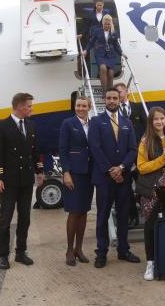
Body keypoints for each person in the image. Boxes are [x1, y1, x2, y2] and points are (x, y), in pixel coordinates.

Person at [88, 87, 140, 268]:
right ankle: (101, 252)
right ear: (104, 99)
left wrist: (122, 167)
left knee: (123, 215)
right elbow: (95, 148)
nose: (112, 101)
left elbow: (133, 149)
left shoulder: (127, 122)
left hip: (123, 177)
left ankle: (123, 250)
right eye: (109, 98)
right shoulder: (96, 121)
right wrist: (110, 170)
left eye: (115, 98)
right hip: (104, 178)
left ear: (120, 100)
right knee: (102, 215)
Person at [0, 93, 44, 270]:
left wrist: (39, 170)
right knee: (5, 218)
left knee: (25, 218)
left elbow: (35, 150)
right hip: (8, 181)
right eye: (29, 106)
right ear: (20, 106)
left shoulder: (31, 125)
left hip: (26, 180)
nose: (31, 109)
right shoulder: (1, 126)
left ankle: (21, 252)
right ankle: (3, 255)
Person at [136, 107, 165, 280]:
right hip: (152, 189)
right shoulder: (145, 141)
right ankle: (150, 263)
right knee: (150, 226)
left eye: (162, 118)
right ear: (151, 121)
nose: (159, 122)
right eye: (156, 119)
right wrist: (162, 158)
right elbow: (141, 167)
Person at [59, 96, 94, 266]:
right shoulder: (68, 123)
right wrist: (66, 172)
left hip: (89, 173)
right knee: (74, 211)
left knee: (84, 211)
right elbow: (63, 149)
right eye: (78, 105)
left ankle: (79, 249)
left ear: (89, 107)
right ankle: (69, 250)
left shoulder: (92, 124)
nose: (81, 108)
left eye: (84, 106)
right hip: (74, 173)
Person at [115, 81, 148, 227]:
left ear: (126, 91)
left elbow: (147, 128)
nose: (119, 95)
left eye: (120, 92)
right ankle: (132, 216)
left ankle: (147, 213)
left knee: (142, 184)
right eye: (116, 93)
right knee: (126, 187)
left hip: (140, 153)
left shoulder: (138, 107)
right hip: (125, 154)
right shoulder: (114, 112)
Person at [84, 15, 125, 92]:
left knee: (110, 73)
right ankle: (105, 92)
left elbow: (116, 45)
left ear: (111, 24)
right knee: (103, 68)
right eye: (105, 24)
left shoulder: (113, 33)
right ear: (103, 23)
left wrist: (122, 53)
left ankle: (110, 92)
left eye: (108, 24)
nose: (107, 25)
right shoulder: (97, 31)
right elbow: (91, 42)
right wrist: (86, 50)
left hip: (111, 55)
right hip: (100, 54)